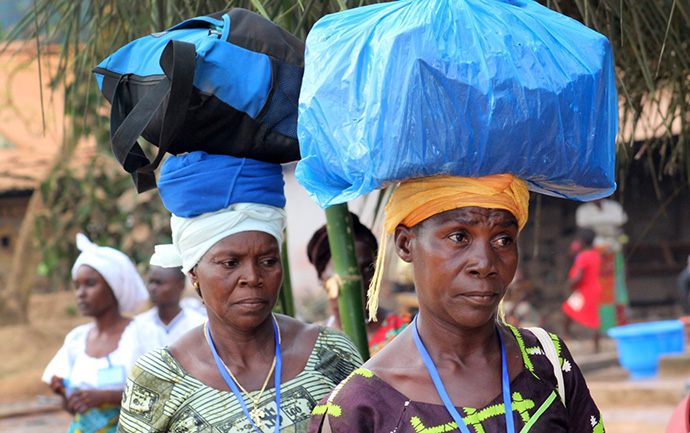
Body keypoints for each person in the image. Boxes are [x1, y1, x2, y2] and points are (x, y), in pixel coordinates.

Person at [309, 174, 605, 433]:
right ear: (404, 243)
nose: (484, 263)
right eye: (459, 236)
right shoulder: (357, 409)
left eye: (503, 239)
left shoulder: (546, 361)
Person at [118, 153, 364, 432]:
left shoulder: (330, 354)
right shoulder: (160, 378)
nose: (252, 277)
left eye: (268, 261)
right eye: (230, 263)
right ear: (194, 273)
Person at [42, 233, 149, 433]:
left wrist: (106, 397)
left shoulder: (142, 333)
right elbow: (70, 408)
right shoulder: (76, 339)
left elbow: (162, 394)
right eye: (77, 286)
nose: (80, 293)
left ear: (114, 287)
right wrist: (67, 394)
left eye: (90, 284)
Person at [307, 212, 411, 355]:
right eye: (349, 272)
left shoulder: (405, 331)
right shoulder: (312, 340)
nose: (359, 280)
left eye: (368, 269)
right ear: (322, 277)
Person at [134, 245, 207, 349]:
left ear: (180, 286)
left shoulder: (199, 325)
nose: (152, 288)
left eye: (159, 283)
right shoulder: (138, 326)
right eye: (150, 282)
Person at [575, 198, 628, 329]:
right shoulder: (583, 211)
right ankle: (601, 327)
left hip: (614, 252)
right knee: (599, 290)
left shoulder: (614, 207)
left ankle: (620, 325)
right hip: (596, 253)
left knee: (617, 290)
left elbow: (621, 229)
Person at [562, 228, 603, 352]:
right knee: (569, 310)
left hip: (585, 292)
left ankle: (566, 336)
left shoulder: (582, 257)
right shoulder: (595, 254)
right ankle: (595, 347)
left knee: (591, 319)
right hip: (593, 290)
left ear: (581, 242)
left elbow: (578, 276)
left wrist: (569, 283)